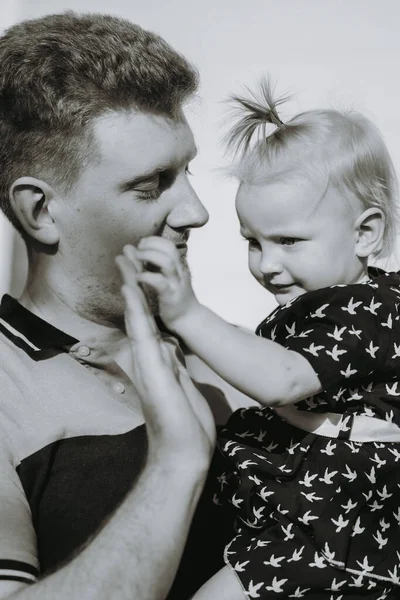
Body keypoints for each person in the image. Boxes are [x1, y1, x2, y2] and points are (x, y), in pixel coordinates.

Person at [120, 80, 400, 599]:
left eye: (289, 241)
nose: (267, 265)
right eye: (253, 242)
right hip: (312, 517)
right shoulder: (330, 304)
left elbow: (282, 379)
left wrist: (185, 312)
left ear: (366, 233)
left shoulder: (373, 309)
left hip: (337, 531)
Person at [0, 11, 245, 600]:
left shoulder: (243, 357)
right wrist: (176, 464)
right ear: (41, 211)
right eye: (151, 183)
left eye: (186, 171)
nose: (195, 213)